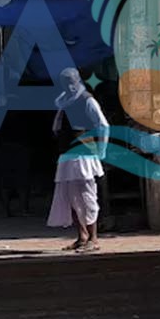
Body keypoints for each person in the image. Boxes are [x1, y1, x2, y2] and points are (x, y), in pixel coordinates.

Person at [48, 68, 108, 253]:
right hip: (68, 153)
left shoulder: (87, 100)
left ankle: (94, 238)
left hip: (84, 153)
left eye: (71, 82)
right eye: (65, 83)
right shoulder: (64, 101)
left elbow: (103, 125)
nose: (68, 86)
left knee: (87, 195)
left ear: (77, 81)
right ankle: (82, 236)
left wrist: (101, 150)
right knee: (72, 197)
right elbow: (57, 126)